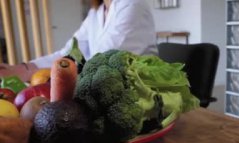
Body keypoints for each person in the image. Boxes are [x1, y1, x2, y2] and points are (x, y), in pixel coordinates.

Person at [0, 0, 157, 82]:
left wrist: (31, 74)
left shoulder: (132, 4)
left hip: (141, 97)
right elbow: (69, 53)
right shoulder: (96, 12)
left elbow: (101, 63)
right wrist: (24, 67)